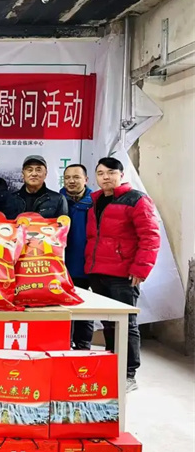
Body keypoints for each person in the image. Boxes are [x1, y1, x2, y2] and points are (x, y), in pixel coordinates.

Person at [85, 157, 160, 393]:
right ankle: (112, 366)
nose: (105, 177)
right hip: (98, 271)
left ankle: (128, 374)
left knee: (126, 324)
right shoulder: (95, 200)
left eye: (110, 172)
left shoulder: (136, 199)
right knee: (109, 323)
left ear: (121, 174)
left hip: (123, 274)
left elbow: (150, 235)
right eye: (100, 173)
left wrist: (140, 269)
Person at [61, 164, 94, 350]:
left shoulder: (95, 202)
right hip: (61, 266)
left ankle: (83, 347)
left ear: (86, 180)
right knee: (63, 310)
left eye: (76, 177)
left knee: (85, 309)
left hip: (86, 264)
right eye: (67, 178)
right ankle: (63, 345)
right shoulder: (57, 200)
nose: (71, 181)